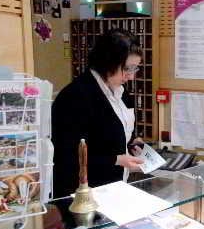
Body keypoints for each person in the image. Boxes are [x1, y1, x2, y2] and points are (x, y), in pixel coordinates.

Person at [51, 29, 144, 198]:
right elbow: (67, 154)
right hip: (84, 192)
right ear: (108, 62)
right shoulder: (76, 96)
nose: (131, 76)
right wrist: (116, 160)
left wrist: (132, 141)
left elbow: (115, 130)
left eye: (135, 69)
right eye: (127, 69)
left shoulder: (121, 91)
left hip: (114, 186)